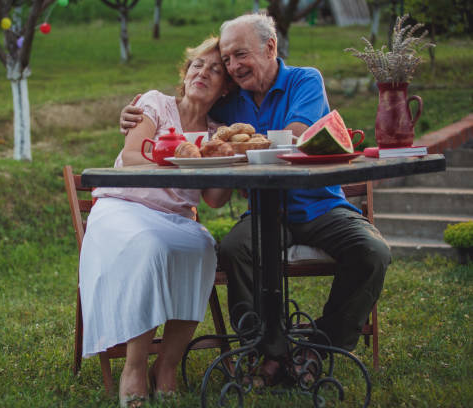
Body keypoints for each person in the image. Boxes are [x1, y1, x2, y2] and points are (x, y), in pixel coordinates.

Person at [119, 13, 391, 385]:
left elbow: (294, 136)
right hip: (265, 211)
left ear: (270, 47)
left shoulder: (305, 80)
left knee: (373, 252)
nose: (232, 66)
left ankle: (318, 348)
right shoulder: (229, 101)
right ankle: (269, 352)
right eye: (227, 59)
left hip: (321, 205)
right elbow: (187, 109)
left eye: (239, 55)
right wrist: (135, 115)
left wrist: (245, 142)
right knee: (234, 248)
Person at [79, 36, 232, 407]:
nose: (203, 72)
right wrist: (184, 164)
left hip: (176, 219)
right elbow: (132, 157)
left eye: (215, 70)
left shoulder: (216, 133)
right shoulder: (155, 104)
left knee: (202, 249)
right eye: (198, 64)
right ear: (186, 71)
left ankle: (166, 365)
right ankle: (134, 367)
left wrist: (230, 162)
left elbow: (212, 199)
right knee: (151, 246)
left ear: (226, 88)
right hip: (122, 209)